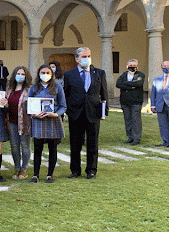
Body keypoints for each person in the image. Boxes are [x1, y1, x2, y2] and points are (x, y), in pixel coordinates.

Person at [63, 47, 108, 179]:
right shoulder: (69, 74)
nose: (86, 59)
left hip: (93, 112)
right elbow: (66, 94)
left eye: (88, 56)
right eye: (83, 57)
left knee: (93, 142)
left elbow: (104, 94)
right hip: (76, 113)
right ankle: (75, 170)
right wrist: (67, 111)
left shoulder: (99, 73)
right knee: (75, 143)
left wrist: (104, 111)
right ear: (77, 59)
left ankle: (91, 170)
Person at [28, 65, 66, 183]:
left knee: (52, 148)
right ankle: (35, 175)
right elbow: (28, 105)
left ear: (52, 74)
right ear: (39, 74)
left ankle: (50, 175)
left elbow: (63, 106)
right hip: (38, 121)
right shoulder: (33, 88)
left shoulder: (58, 88)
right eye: (43, 72)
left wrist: (56, 114)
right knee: (38, 149)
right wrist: (33, 115)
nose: (45, 74)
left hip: (53, 120)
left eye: (48, 72)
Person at [4, 66, 32, 180]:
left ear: (26, 76)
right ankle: (17, 168)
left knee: (25, 145)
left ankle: (24, 169)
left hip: (24, 122)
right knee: (14, 146)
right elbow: (6, 103)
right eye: (18, 73)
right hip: (11, 121)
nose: (20, 76)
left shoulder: (30, 89)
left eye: (22, 74)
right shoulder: (9, 88)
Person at [116, 59, 145, 145]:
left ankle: (136, 138)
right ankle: (130, 137)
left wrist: (125, 84)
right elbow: (118, 84)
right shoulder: (123, 75)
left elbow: (138, 84)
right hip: (125, 101)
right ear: (127, 66)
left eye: (134, 65)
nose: (132, 66)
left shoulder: (140, 75)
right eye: (130, 65)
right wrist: (130, 85)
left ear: (137, 66)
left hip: (136, 101)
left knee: (136, 120)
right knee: (127, 119)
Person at [150, 60, 169, 147]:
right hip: (160, 105)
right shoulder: (157, 79)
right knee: (163, 124)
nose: (166, 67)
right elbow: (153, 93)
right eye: (164, 66)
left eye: (168, 65)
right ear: (161, 68)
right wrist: (153, 105)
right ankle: (166, 141)